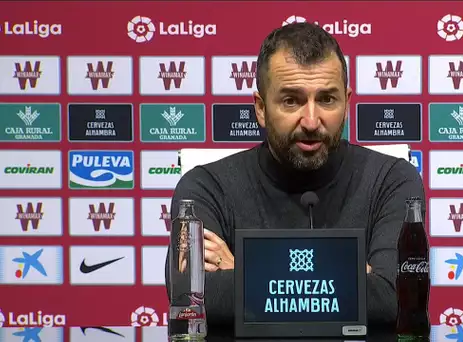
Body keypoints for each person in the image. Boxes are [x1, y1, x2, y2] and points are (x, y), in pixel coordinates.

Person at [165, 22, 425, 327]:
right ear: (260, 108)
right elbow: (194, 296)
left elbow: (394, 298)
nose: (312, 121)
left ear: (347, 102)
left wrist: (244, 270)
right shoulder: (205, 187)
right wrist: (351, 274)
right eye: (291, 100)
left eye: (327, 99)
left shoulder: (392, 180)